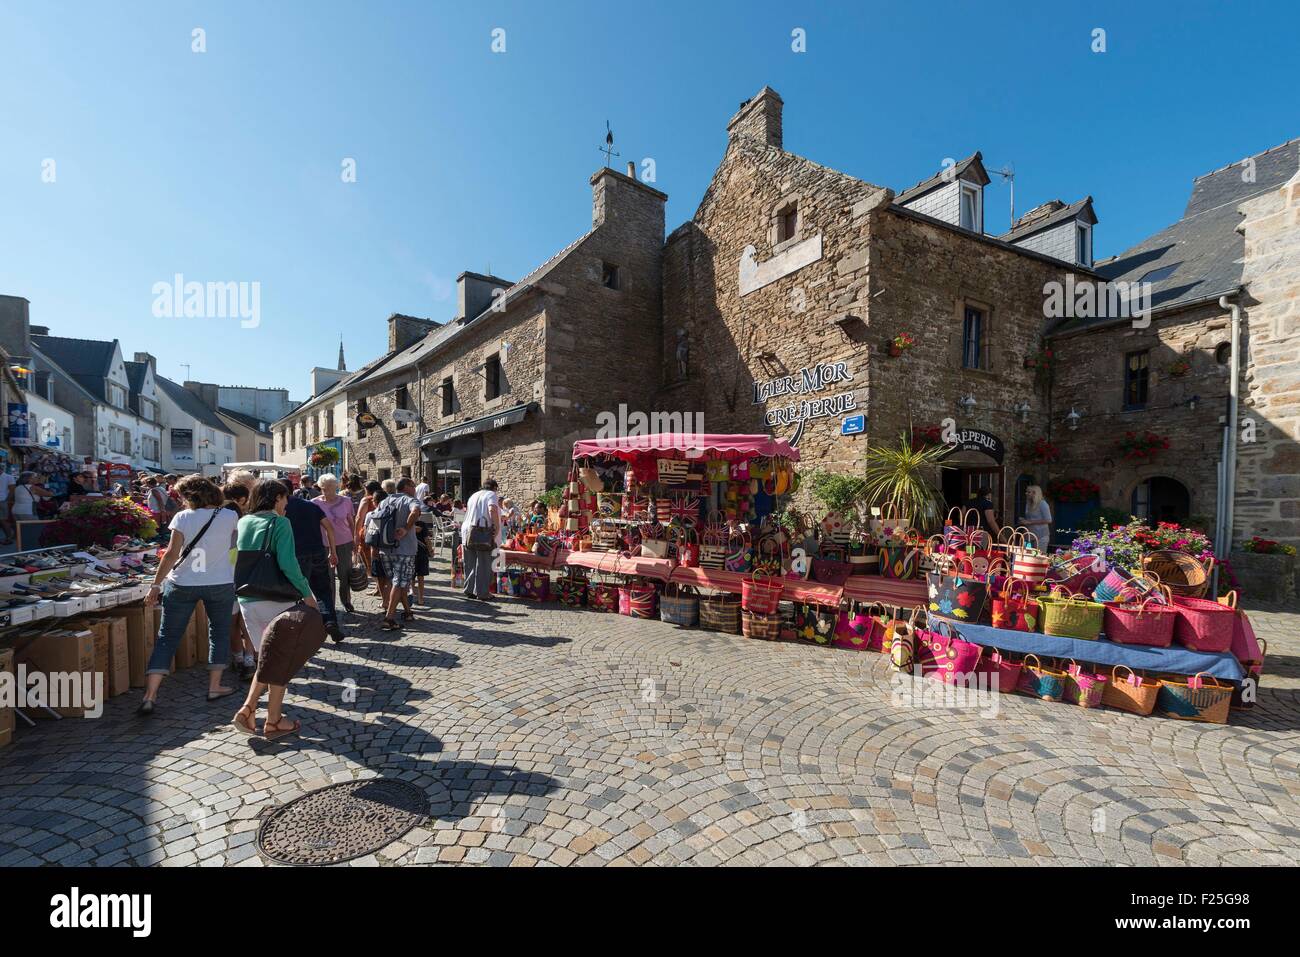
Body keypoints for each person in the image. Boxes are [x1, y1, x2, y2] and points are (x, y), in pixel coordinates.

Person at [137, 476, 240, 715]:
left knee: (167, 637)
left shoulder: (182, 517)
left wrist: (155, 585)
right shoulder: (229, 516)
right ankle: (214, 686)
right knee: (219, 632)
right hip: (219, 581)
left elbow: (171, 554)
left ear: (189, 496)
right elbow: (234, 549)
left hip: (182, 582)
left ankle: (150, 695)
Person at [231, 479, 318, 739]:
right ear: (277, 497)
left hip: (248, 598)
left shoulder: (244, 521)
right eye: (285, 498)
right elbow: (289, 564)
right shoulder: (280, 523)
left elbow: (234, 557)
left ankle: (251, 711)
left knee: (267, 660)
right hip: (275, 598)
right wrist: (308, 594)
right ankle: (272, 720)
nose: (287, 504)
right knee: (279, 660)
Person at [285, 489, 343, 642]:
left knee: (297, 593)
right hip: (317, 551)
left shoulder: (281, 508)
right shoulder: (310, 505)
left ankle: (303, 629)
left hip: (296, 554)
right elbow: (329, 527)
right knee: (323, 590)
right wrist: (332, 551)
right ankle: (330, 621)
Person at [371, 478, 421, 631]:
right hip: (404, 549)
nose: (415, 489)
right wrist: (406, 528)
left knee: (396, 582)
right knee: (399, 583)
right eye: (413, 486)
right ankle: (389, 618)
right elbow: (415, 512)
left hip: (385, 548)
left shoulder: (385, 501)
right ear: (407, 487)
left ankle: (407, 612)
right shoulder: (410, 500)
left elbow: (375, 521)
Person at [222, 483, 256, 680]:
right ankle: (249, 660)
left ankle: (238, 659)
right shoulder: (246, 529)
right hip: (245, 581)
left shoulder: (218, 534)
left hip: (227, 582)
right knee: (246, 623)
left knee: (233, 623)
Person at [313, 474, 356, 615]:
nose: (327, 491)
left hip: (344, 542)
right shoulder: (314, 503)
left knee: (345, 574)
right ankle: (329, 604)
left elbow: (351, 522)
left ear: (336, 487)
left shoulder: (346, 501)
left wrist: (354, 540)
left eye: (330, 488)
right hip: (323, 544)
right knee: (327, 576)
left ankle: (346, 601)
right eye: (324, 488)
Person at [461, 478, 500, 601]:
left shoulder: (474, 495)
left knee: (470, 562)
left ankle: (468, 589)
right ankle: (482, 593)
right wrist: (497, 527)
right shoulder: (492, 494)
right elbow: (492, 509)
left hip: (468, 530)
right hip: (482, 532)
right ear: (494, 488)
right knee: (484, 563)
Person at [1019, 485, 1053, 549]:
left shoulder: (1042, 504)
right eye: (1026, 492)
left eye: (1029, 492)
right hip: (1029, 535)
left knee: (1038, 556)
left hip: (1041, 536)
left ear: (1035, 493)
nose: (1026, 493)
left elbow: (1048, 520)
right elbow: (1030, 518)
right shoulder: (1029, 503)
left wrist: (1030, 522)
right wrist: (1024, 520)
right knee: (1027, 555)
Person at [0, 466, 15, 544]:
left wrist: (7, 500)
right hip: (3, 501)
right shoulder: (9, 477)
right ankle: (8, 536)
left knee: (4, 520)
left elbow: (12, 490)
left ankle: (9, 537)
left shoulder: (8, 477)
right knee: (3, 520)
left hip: (2, 501)